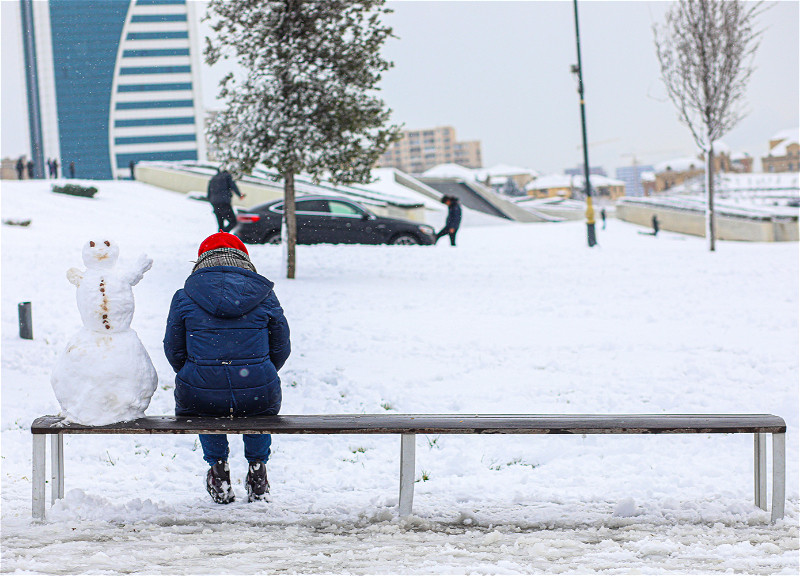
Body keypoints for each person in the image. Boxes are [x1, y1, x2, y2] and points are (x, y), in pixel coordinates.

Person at [164, 232, 290, 504]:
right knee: (258, 403)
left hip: (202, 391)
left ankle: (217, 467)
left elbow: (174, 350)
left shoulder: (185, 296)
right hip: (258, 390)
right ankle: (258, 468)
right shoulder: (264, 295)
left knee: (202, 401)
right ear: (244, 259)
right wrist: (261, 370)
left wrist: (196, 372)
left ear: (201, 260)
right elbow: (281, 346)